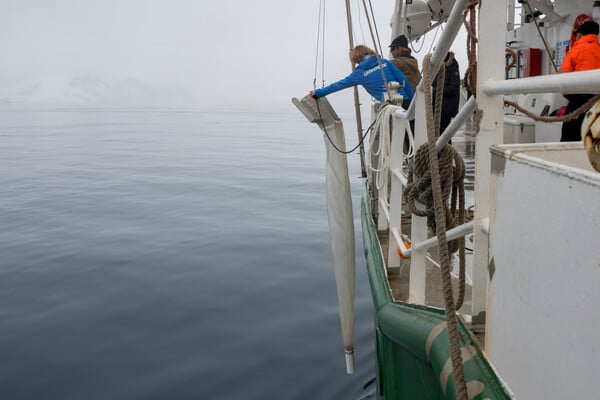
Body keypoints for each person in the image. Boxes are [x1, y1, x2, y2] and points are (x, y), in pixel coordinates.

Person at [310, 45, 414, 106]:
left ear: (356, 59)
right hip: (406, 101)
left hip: (391, 106)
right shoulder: (384, 62)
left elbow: (338, 85)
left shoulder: (359, 73)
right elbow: (403, 80)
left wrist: (318, 93)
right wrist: (413, 100)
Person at [560, 20, 600, 142]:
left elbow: (563, 76)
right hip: (597, 98)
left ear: (580, 35)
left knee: (569, 133)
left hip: (579, 98)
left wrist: (564, 92)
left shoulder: (576, 50)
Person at [432, 52, 461, 136]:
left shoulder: (453, 66)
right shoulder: (437, 66)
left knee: (443, 133)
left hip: (446, 107)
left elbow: (453, 87)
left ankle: (445, 147)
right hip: (437, 105)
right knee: (436, 132)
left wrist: (437, 91)